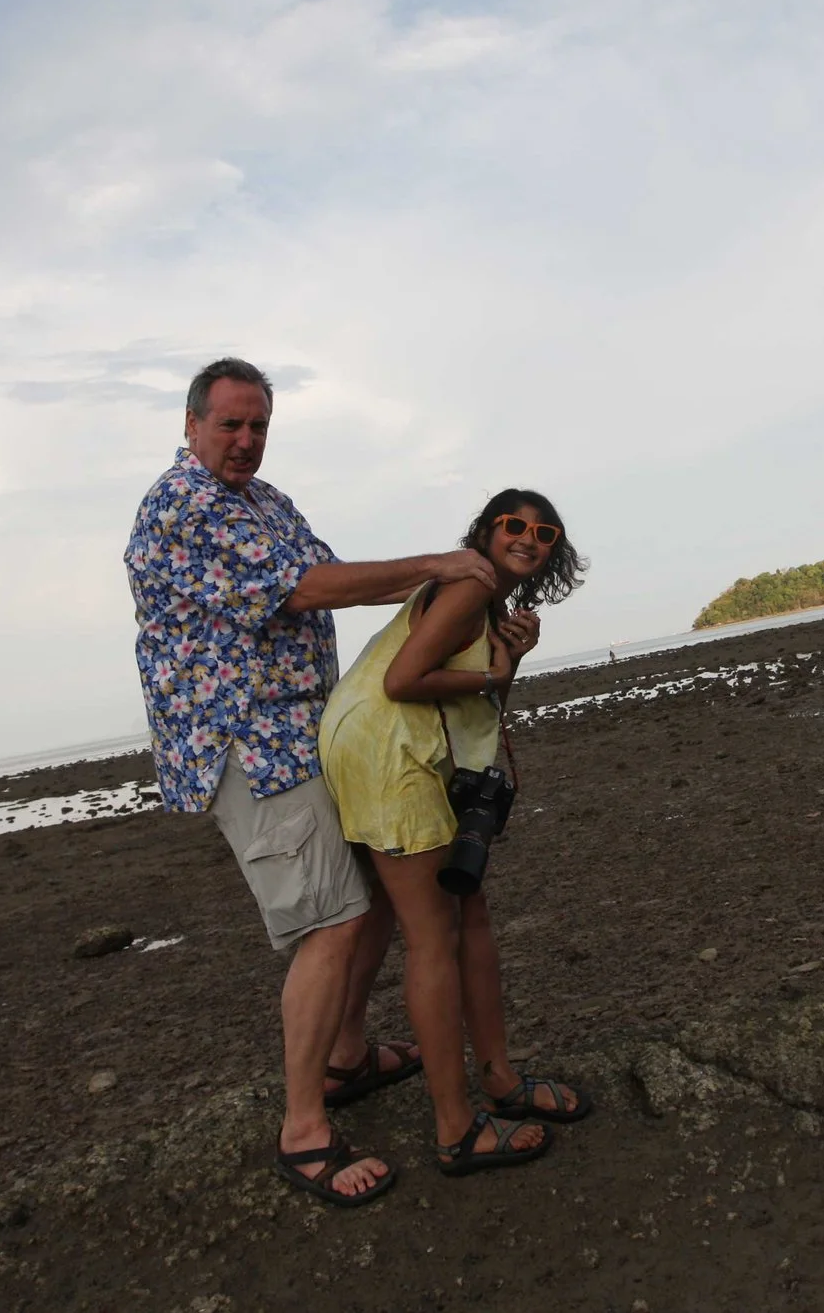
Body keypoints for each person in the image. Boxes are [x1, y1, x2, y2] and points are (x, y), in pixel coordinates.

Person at [123, 357, 500, 1207]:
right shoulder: (184, 506)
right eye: (230, 425)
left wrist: (451, 596)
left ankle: (346, 1057)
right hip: (247, 743)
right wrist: (441, 567)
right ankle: (303, 1130)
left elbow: (334, 581)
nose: (247, 440)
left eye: (258, 425)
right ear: (190, 426)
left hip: (303, 735)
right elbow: (307, 588)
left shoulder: (265, 502)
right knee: (329, 922)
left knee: (364, 887)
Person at [320, 489, 593, 1175]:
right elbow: (406, 680)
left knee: (467, 913)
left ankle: (498, 1077)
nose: (528, 537)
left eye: (544, 531)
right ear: (486, 530)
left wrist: (511, 660)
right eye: (514, 524)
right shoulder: (468, 586)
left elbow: (476, 692)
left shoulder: (485, 600)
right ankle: (456, 1126)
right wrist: (495, 672)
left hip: (374, 748)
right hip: (391, 755)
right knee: (435, 933)